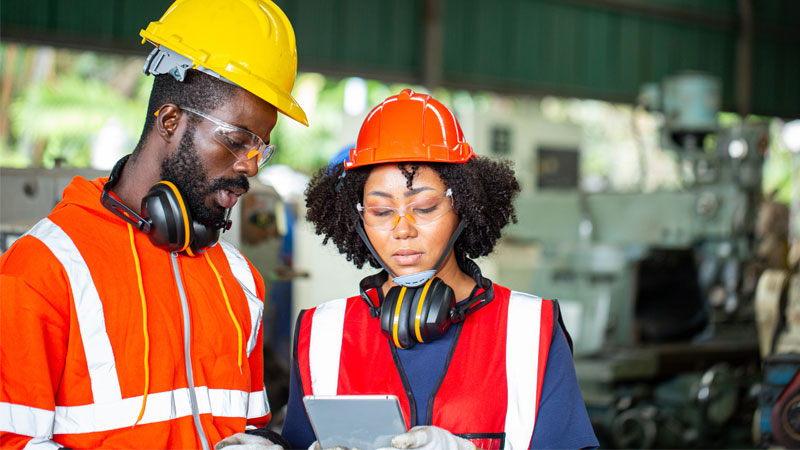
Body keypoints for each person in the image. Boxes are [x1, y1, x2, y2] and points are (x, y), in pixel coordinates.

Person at [0, 0, 307, 449]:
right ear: (169, 120)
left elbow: (249, 428)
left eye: (261, 148)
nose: (251, 167)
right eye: (238, 141)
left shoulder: (240, 280)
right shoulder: (43, 270)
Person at [282, 89, 599, 449]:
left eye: (426, 207)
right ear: (358, 218)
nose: (403, 229)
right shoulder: (322, 334)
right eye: (381, 212)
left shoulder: (529, 329)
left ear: (464, 205)